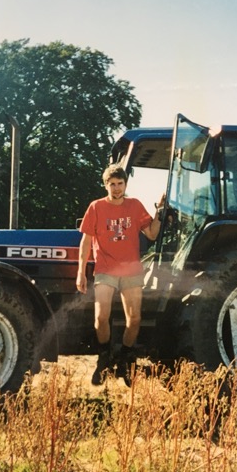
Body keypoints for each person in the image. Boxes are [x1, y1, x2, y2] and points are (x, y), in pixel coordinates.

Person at [76, 163, 165, 386]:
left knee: (134, 319)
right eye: (112, 184)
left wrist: (160, 212)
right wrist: (81, 273)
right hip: (105, 269)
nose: (116, 189)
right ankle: (104, 358)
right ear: (106, 185)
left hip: (131, 270)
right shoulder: (96, 207)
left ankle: (125, 359)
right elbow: (86, 241)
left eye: (120, 184)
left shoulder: (134, 206)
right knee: (100, 317)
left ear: (125, 184)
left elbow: (152, 234)